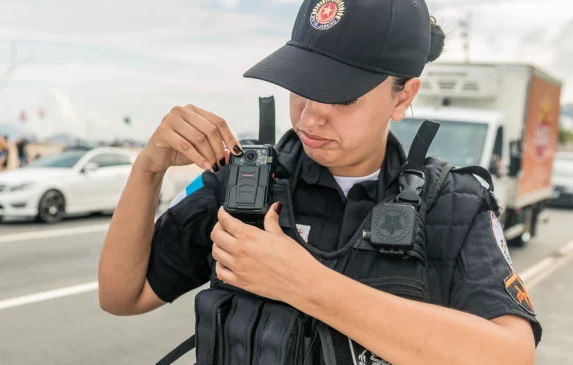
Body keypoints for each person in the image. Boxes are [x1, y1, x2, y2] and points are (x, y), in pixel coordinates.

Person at [98, 1, 541, 364]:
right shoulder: (245, 181)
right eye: (300, 85)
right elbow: (123, 296)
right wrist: (147, 170)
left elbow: (511, 354)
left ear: (402, 96)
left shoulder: (452, 205)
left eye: (342, 95)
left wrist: (306, 283)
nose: (310, 116)